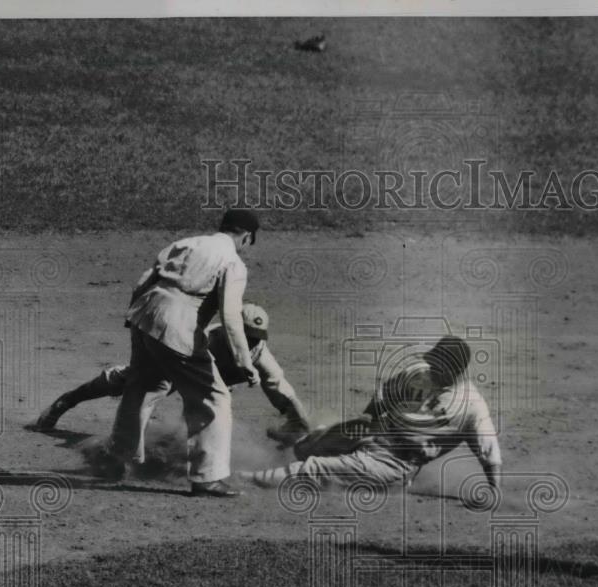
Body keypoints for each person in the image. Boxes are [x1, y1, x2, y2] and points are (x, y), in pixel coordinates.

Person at [94, 208, 261, 497]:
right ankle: (207, 477)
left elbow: (147, 277)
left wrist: (133, 315)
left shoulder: (187, 243)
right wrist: (244, 360)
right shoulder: (233, 263)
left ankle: (116, 458)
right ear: (246, 237)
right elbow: (231, 316)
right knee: (213, 397)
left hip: (145, 313)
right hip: (178, 323)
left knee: (142, 385)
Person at [31, 303, 310, 461]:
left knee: (208, 411)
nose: (250, 343)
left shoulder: (259, 354)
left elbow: (279, 388)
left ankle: (175, 453)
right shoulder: (205, 340)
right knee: (126, 381)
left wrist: (297, 424)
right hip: (178, 359)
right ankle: (66, 401)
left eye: (256, 338)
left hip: (210, 383)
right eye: (245, 336)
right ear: (229, 329)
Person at [244, 335, 502, 505]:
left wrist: (493, 490)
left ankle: (250, 478)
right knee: (310, 445)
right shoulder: (419, 373)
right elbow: (384, 396)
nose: (431, 368)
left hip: (394, 462)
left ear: (456, 370)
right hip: (375, 433)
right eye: (432, 362)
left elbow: (489, 453)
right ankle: (301, 438)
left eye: (438, 366)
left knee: (316, 467)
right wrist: (362, 421)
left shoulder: (472, 406)